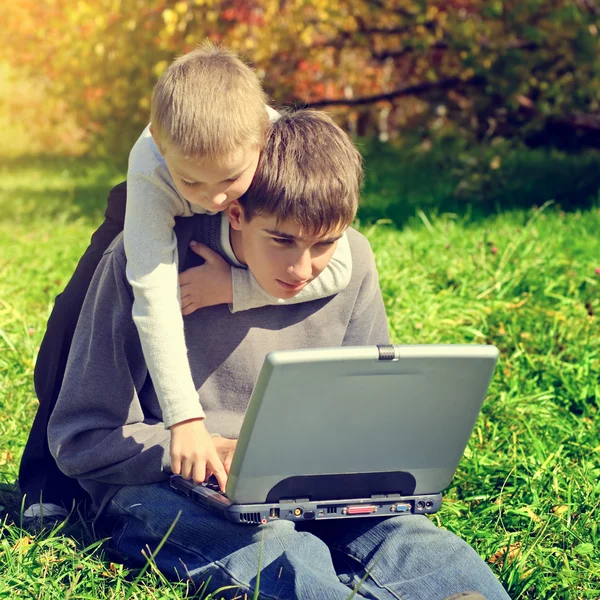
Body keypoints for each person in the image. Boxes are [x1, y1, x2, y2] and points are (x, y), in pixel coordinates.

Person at [47, 110, 510, 600]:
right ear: (237, 213)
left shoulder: (352, 263)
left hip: (311, 488)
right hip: (164, 488)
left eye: (325, 243)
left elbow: (362, 411)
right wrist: (211, 449)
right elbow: (83, 437)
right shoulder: (145, 265)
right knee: (274, 551)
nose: (303, 268)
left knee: (419, 547)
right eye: (283, 240)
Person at [18, 42, 352, 517]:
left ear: (262, 135)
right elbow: (153, 300)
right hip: (145, 213)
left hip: (246, 209)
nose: (214, 198)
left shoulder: (276, 141)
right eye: (193, 181)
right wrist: (186, 418)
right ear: (158, 138)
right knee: (72, 320)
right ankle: (47, 482)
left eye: (229, 180)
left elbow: (342, 264)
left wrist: (234, 289)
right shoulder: (154, 168)